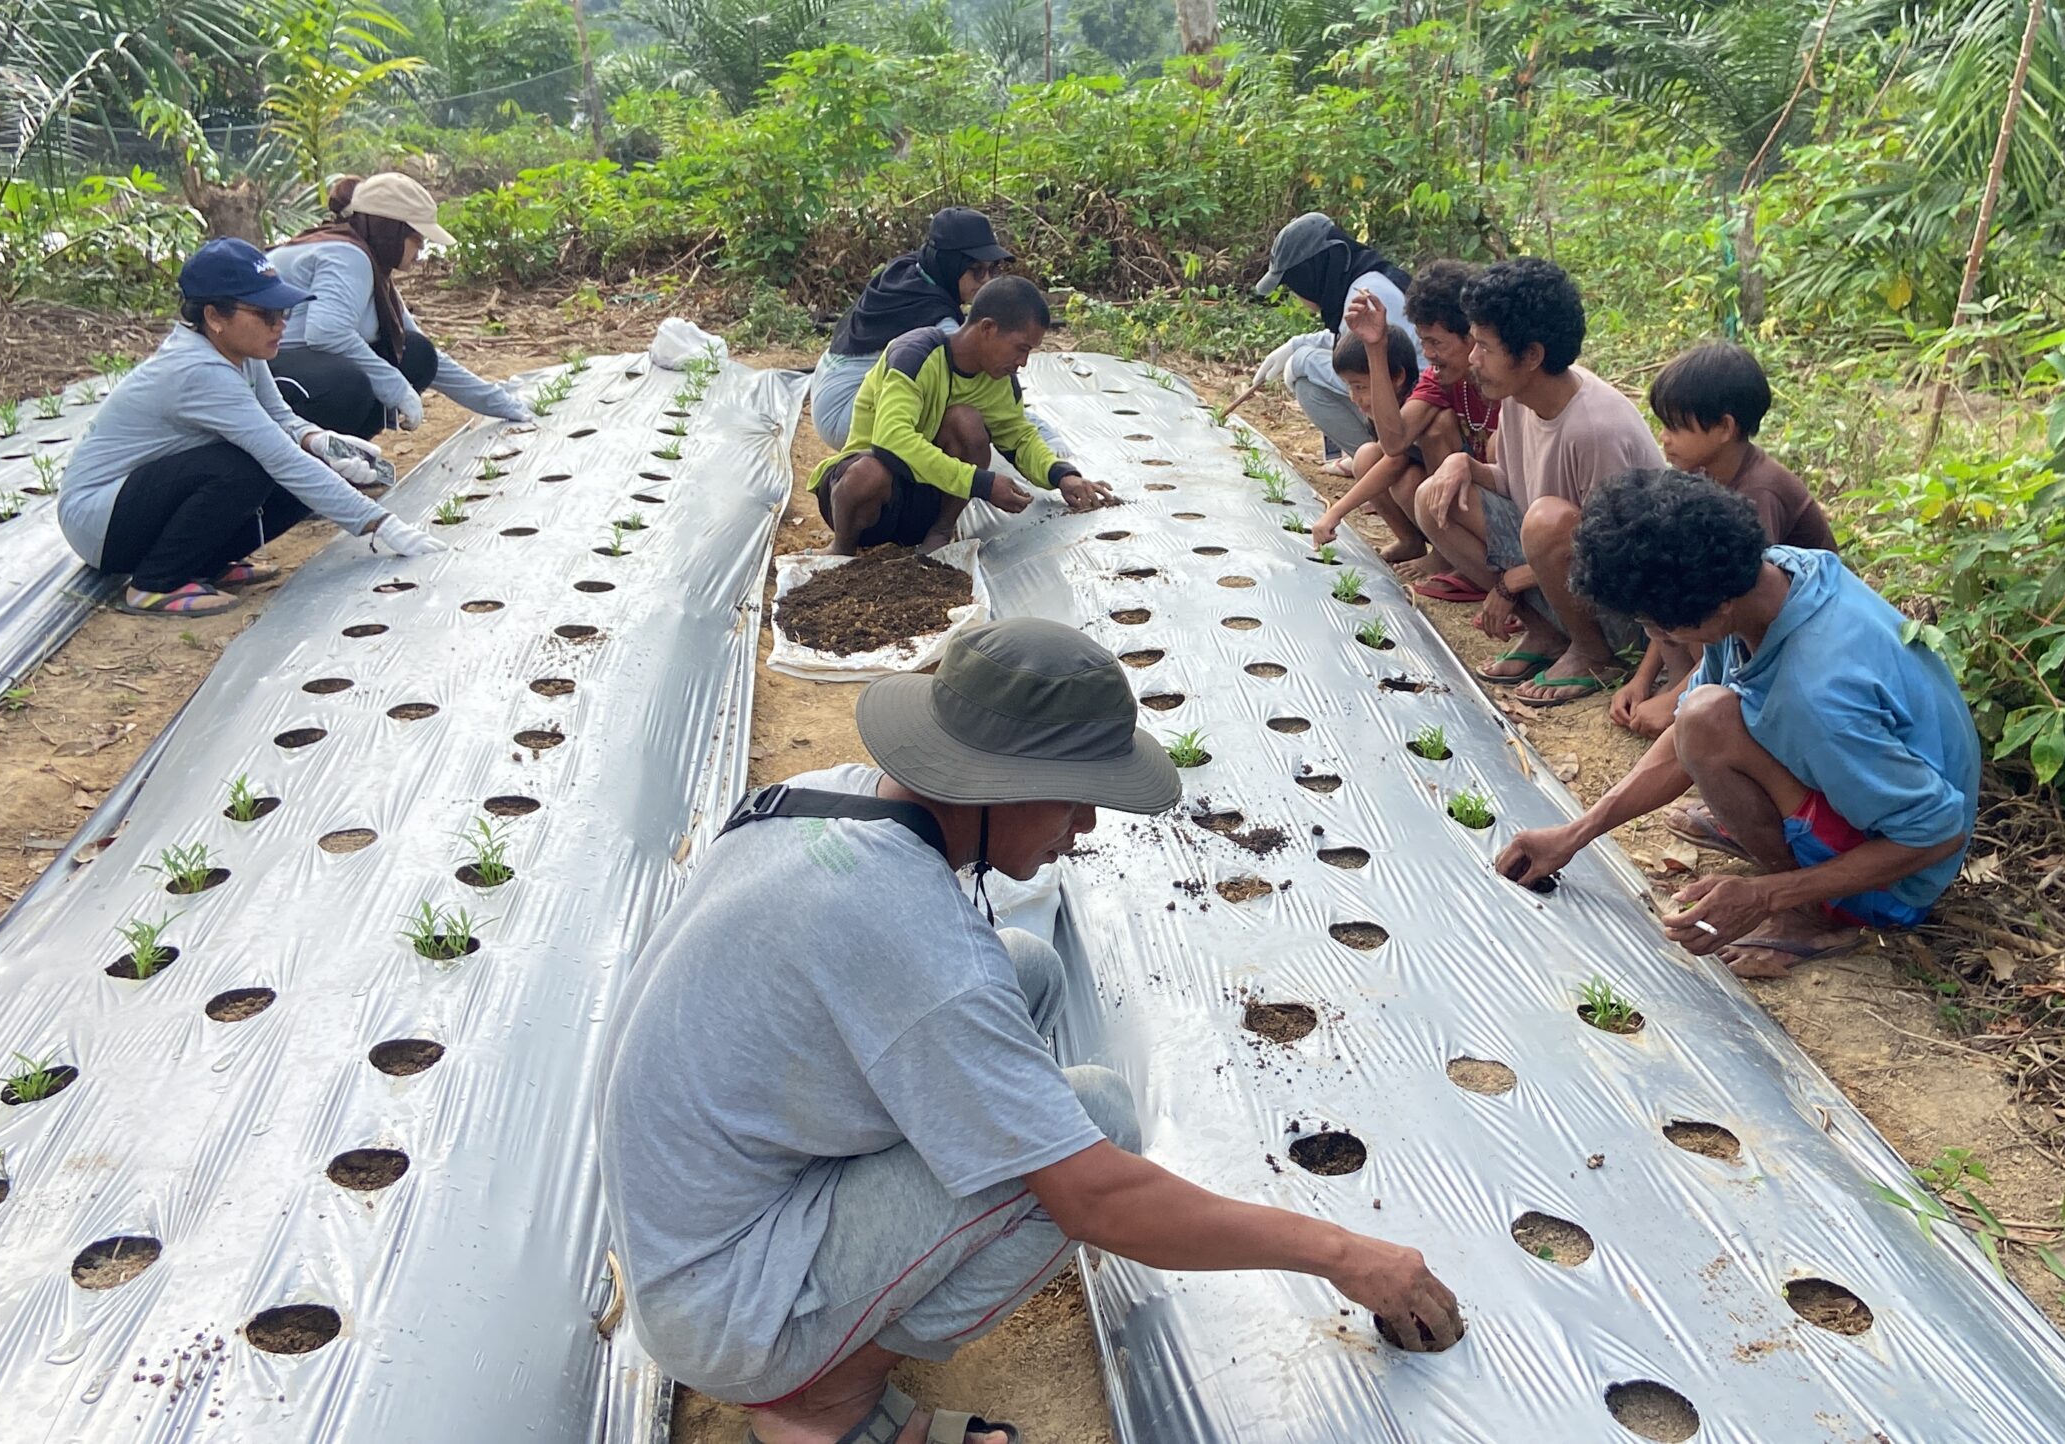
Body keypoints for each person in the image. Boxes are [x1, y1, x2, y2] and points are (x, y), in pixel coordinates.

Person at [599, 619, 1464, 1444]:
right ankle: (822, 1400)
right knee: (1094, 1125)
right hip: (726, 1302)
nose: (1083, 830)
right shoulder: (911, 939)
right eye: (1075, 802)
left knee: (1030, 966)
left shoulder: (824, 795)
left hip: (688, 1217)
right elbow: (1097, 1197)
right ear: (996, 785)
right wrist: (1344, 1254)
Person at [1495, 470, 1979, 979]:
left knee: (1709, 718)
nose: (1653, 635)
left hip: (1902, 880)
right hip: (1865, 784)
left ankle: (1814, 916)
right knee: (1704, 712)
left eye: (1654, 626)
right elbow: (1688, 728)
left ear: (1714, 610)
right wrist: (1576, 833)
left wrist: (1766, 894)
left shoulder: (1817, 694)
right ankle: (1776, 833)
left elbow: (1937, 835)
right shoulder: (1771, 577)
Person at [56, 239, 444, 617]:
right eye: (265, 314)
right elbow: (280, 457)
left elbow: (283, 419)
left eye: (283, 312)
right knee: (243, 466)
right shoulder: (198, 370)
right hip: (98, 522)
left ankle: (205, 563)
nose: (280, 324)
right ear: (213, 317)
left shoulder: (240, 352)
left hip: (135, 505)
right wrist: (379, 524)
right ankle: (156, 583)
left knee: (292, 463)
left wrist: (320, 441)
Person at [1409, 258, 1665, 707]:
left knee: (1546, 521)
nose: (1473, 360)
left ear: (1531, 356)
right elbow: (1512, 484)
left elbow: (1612, 550)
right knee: (1435, 496)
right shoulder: (1518, 398)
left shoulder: (1595, 428)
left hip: (1627, 606)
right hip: (1558, 567)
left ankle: (1595, 652)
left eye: (1485, 347)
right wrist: (1461, 464)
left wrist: (1511, 583)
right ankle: (1545, 632)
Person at [1616, 339, 1840, 738]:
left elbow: (1740, 607)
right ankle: (1684, 683)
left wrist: (1676, 703)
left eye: (1675, 427)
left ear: (1724, 428)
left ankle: (1701, 698)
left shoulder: (1758, 494)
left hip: (1798, 635)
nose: (1663, 439)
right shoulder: (1701, 476)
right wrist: (1643, 677)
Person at [807, 277, 1113, 556]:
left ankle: (938, 534)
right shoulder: (914, 355)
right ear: (987, 328)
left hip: (919, 510)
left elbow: (1019, 438)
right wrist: (981, 483)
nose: (1022, 362)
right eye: (1020, 349)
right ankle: (842, 549)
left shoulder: (999, 381)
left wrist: (1063, 476)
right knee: (868, 473)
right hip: (863, 501)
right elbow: (891, 441)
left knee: (965, 421)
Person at [270, 173, 529, 438]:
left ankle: (350, 453)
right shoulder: (346, 255)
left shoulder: (370, 265)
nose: (421, 249)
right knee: (350, 385)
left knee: (417, 354)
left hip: (307, 367)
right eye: (417, 238)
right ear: (390, 231)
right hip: (266, 371)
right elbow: (325, 333)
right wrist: (395, 387)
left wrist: (499, 402)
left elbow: (420, 349)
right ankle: (313, 460)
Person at [1311, 260, 1498, 571]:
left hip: (1500, 506)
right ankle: (1443, 549)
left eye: (1436, 342)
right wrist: (1375, 347)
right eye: (1423, 341)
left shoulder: (1505, 384)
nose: (1428, 354)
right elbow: (1394, 442)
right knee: (1373, 457)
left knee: (1438, 426)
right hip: (1468, 500)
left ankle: (1461, 561)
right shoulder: (1441, 379)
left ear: (1472, 337)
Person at [810, 207, 1017, 450]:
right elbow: (992, 400)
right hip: (846, 414)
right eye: (977, 270)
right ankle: (919, 481)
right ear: (950, 264)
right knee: (965, 415)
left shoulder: (910, 271)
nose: (987, 281)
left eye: (993, 269)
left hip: (826, 389)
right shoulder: (937, 320)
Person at [1247, 212, 1416, 465]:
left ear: (1311, 274)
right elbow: (1349, 338)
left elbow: (1370, 366)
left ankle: (1379, 462)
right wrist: (1297, 344)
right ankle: (1368, 458)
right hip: (1404, 400)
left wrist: (1301, 360)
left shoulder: (1367, 293)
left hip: (1413, 409)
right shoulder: (1365, 279)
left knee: (1306, 381)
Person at [1309, 324, 1422, 555]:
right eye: (1350, 387)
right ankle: (1410, 541)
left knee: (1408, 481)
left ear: (1397, 376)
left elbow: (1394, 462)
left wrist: (1336, 512)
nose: (1354, 397)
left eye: (1359, 386)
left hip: (1436, 492)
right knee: (1366, 456)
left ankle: (1444, 556)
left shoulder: (1416, 405)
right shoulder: (1385, 408)